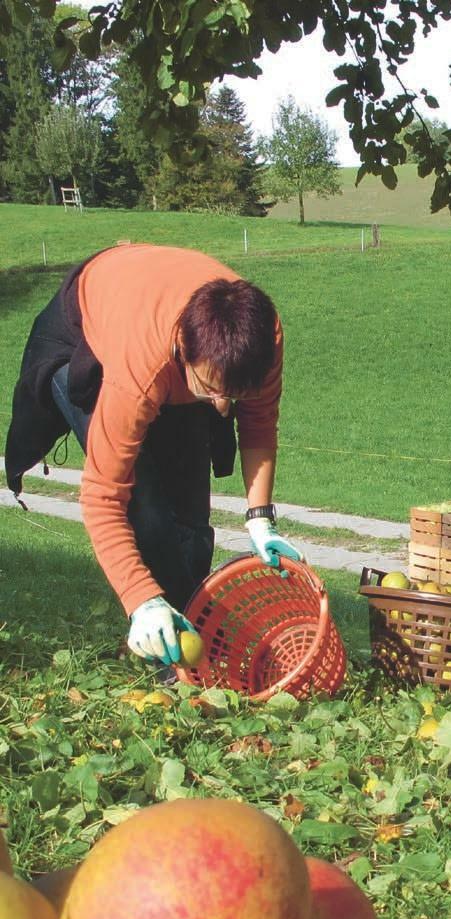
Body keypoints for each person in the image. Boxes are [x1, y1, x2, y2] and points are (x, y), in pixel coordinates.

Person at [4, 243, 303, 667]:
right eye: (213, 391)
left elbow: (257, 424)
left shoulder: (262, 339)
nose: (223, 407)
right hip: (86, 327)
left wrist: (260, 519)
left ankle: (195, 636)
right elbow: (103, 497)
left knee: (191, 519)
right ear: (184, 350)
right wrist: (140, 599)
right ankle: (172, 645)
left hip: (158, 316)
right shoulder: (139, 372)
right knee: (146, 509)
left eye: (233, 395)